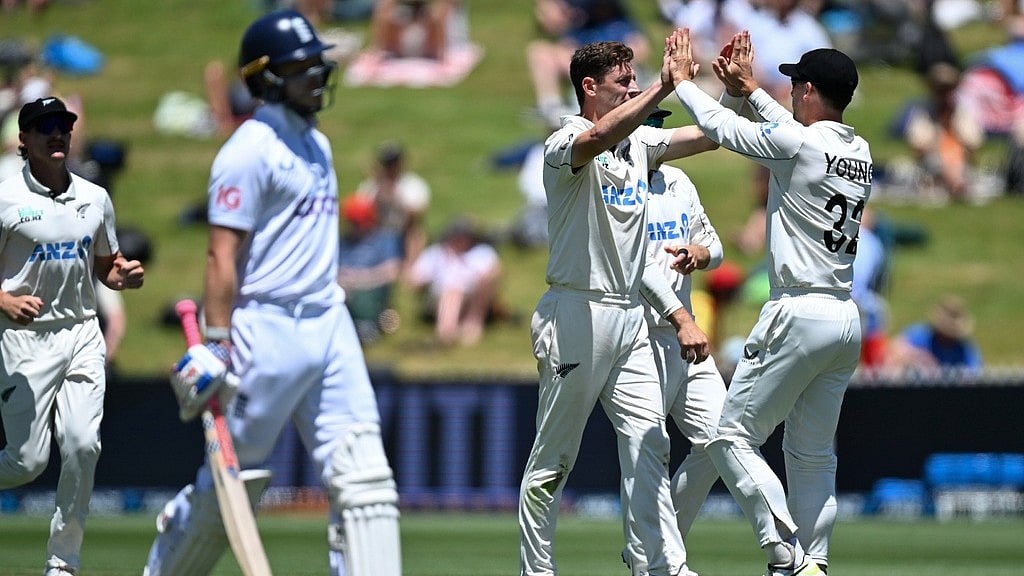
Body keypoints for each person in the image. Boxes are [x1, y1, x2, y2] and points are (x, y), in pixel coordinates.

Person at [143, 10, 401, 576]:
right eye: (301, 66)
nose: (317, 75)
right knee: (230, 487)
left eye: (317, 64)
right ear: (265, 77)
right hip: (267, 327)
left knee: (365, 483)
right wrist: (216, 342)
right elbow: (221, 255)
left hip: (328, 320)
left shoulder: (317, 144)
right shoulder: (247, 150)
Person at [669, 29, 870, 576]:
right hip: (845, 318)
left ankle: (787, 552)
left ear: (806, 90)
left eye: (792, 86)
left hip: (798, 311)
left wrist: (686, 84)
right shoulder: (858, 150)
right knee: (811, 455)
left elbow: (719, 127)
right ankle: (816, 563)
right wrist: (753, 89)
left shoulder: (801, 145)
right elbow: (787, 133)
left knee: (731, 436)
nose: (789, 96)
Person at [518, 39, 718, 576]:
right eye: (622, 83)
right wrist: (666, 85)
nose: (633, 89)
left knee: (649, 443)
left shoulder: (642, 144)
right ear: (589, 87)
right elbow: (600, 135)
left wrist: (744, 100)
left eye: (636, 81)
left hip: (630, 317)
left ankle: (662, 567)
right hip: (574, 314)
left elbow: (706, 137)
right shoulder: (564, 142)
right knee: (552, 465)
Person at [0, 96, 145, 576]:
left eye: (62, 125)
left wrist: (121, 276)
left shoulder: (94, 197)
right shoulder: (5, 198)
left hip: (82, 331)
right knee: (26, 464)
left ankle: (62, 562)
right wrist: (4, 301)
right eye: (44, 127)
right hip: (24, 340)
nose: (56, 134)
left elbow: (105, 266)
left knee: (84, 446)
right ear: (25, 140)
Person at [621, 108, 728, 576]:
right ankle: (660, 561)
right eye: (648, 124)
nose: (657, 134)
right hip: (640, 334)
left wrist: (701, 253)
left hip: (684, 336)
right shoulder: (617, 183)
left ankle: (651, 550)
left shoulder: (680, 183)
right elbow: (637, 267)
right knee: (649, 449)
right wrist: (682, 317)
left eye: (660, 124)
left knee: (722, 440)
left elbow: (715, 245)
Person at [528, 0, 652, 127]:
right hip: (584, 53)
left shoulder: (619, 23)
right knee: (541, 52)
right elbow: (554, 27)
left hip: (612, 62)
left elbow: (639, 47)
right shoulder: (579, 21)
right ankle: (551, 109)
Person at [407, 216, 501, 346]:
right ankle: (447, 333)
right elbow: (415, 280)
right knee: (452, 293)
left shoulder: (481, 253)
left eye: (465, 235)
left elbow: (494, 272)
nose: (461, 239)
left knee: (461, 289)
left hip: (473, 294)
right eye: (458, 235)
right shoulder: (436, 254)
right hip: (439, 295)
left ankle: (472, 324)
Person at [356, 140, 430, 276]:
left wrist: (394, 196)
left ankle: (410, 268)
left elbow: (417, 214)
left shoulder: (412, 184)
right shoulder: (371, 186)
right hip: (377, 229)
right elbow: (360, 212)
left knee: (416, 234)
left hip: (403, 230)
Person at [337, 193, 403, 344]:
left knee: (362, 297)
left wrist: (363, 278)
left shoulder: (384, 239)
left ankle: (365, 328)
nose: (354, 226)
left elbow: (392, 271)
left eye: (358, 222)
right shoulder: (343, 243)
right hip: (344, 288)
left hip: (372, 291)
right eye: (352, 222)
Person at [885, 295, 983, 376]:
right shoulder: (921, 334)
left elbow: (974, 373)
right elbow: (893, 352)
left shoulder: (965, 349)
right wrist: (917, 357)